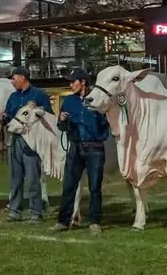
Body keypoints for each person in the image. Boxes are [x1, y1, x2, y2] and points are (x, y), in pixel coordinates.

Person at [51, 67, 110, 231]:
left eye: (73, 81)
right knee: (69, 186)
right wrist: (62, 120)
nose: (70, 85)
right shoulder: (68, 102)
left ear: (83, 82)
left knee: (95, 188)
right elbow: (61, 127)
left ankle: (94, 222)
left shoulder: (98, 99)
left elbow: (108, 122)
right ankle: (63, 222)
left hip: (95, 148)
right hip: (75, 148)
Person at [0, 66, 52, 222]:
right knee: (15, 178)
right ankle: (14, 210)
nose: (12, 81)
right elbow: (9, 116)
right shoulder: (13, 97)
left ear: (23, 77)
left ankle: (36, 212)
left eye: (14, 78)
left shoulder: (39, 95)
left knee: (33, 178)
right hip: (15, 140)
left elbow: (48, 116)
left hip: (31, 142)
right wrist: (4, 118)